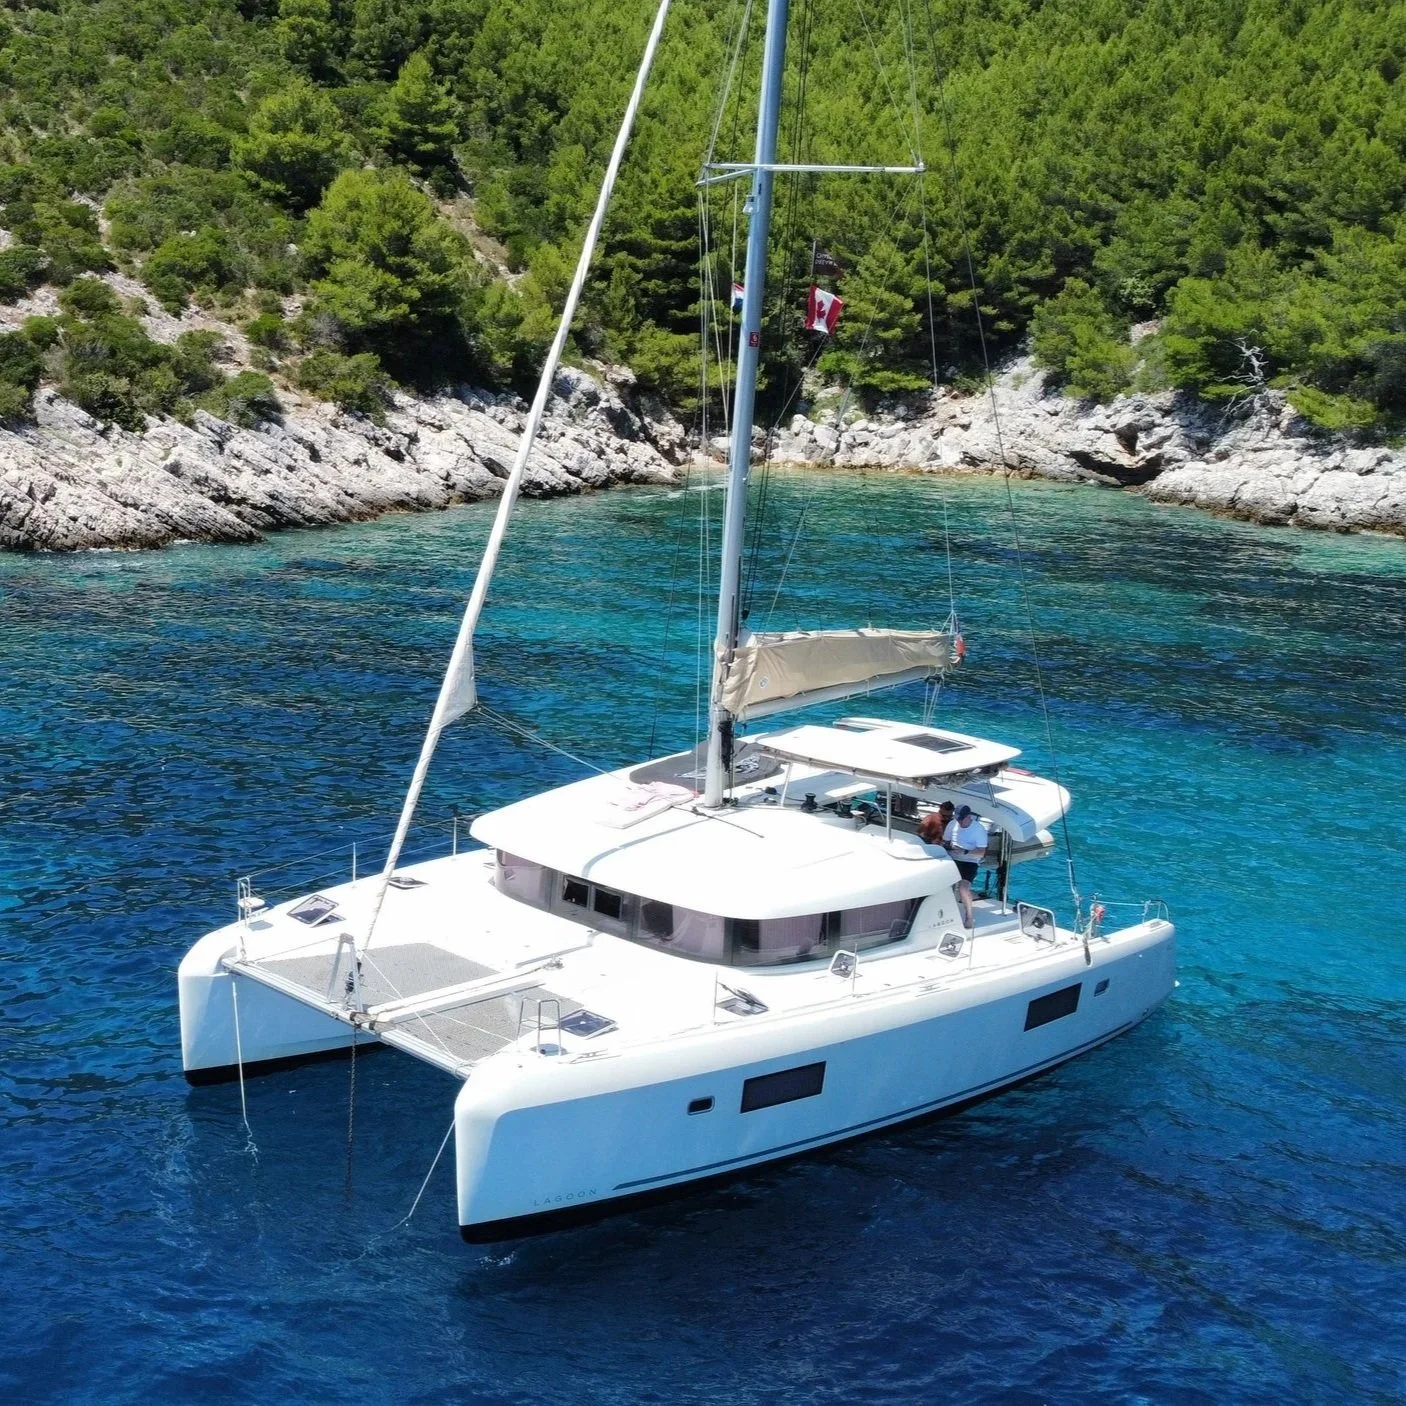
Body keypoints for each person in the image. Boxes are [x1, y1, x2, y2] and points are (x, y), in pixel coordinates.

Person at [944, 804, 988, 928]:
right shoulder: (952, 825)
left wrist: (966, 852)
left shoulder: (978, 829)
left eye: (961, 819)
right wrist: (950, 848)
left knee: (963, 887)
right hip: (953, 857)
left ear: (968, 817)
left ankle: (969, 917)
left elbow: (982, 852)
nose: (959, 822)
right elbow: (945, 842)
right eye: (957, 819)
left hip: (970, 860)